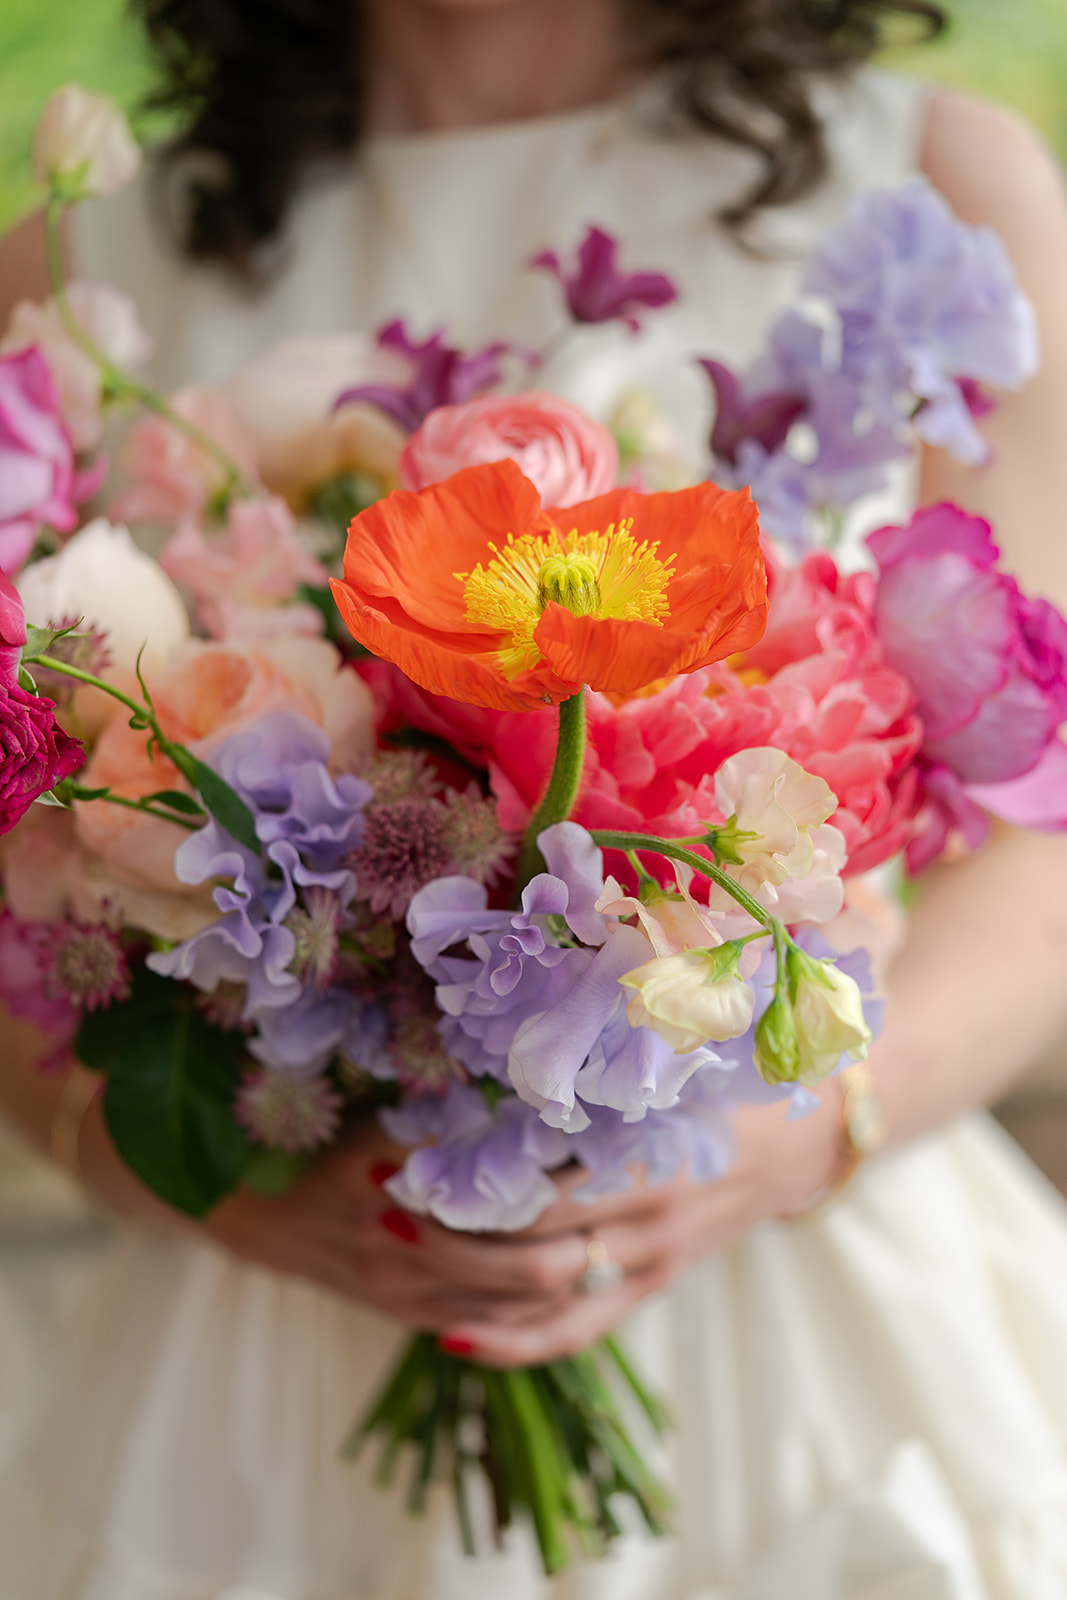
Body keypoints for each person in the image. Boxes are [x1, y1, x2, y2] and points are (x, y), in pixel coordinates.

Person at [3, 1, 1067, 1594]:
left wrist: (799, 1138)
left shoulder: (933, 181)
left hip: (799, 1286)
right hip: (280, 1297)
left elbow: (1045, 844)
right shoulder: (79, 271)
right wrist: (198, 1191)